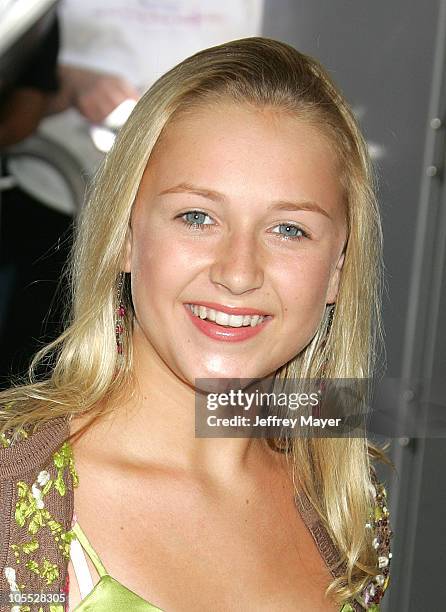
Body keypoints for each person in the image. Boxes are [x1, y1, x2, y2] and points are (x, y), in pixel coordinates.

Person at [0, 37, 393, 611]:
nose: (238, 273)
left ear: (337, 270)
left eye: (289, 230)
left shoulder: (348, 513)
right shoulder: (11, 497)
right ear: (126, 239)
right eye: (196, 217)